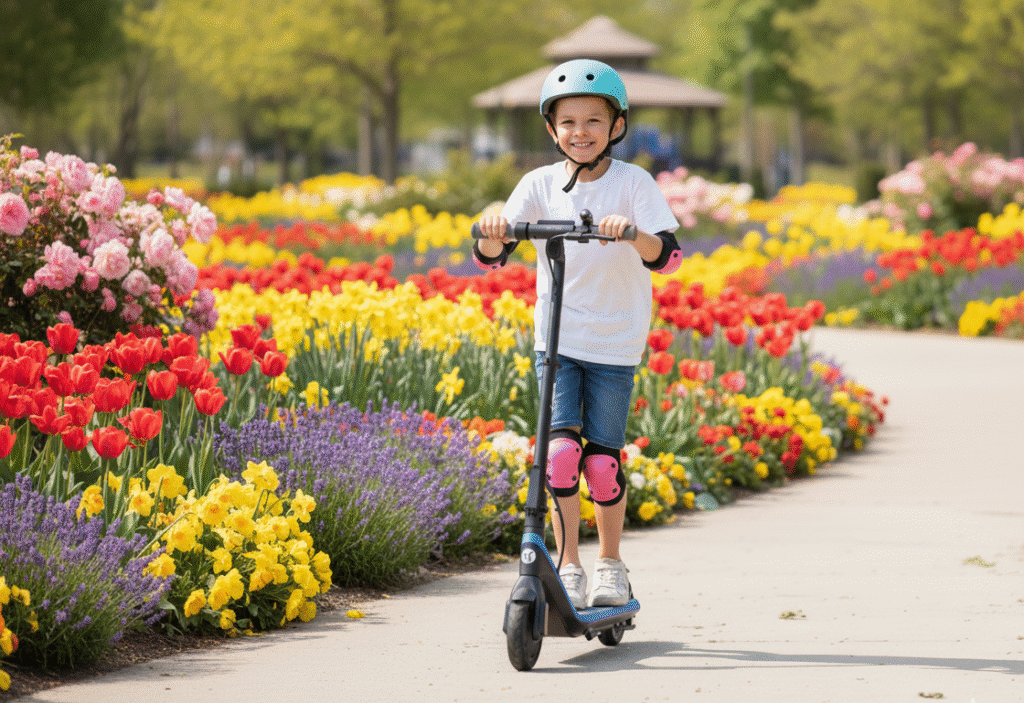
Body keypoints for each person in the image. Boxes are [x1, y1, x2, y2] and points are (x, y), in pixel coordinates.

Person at [474, 59, 682, 609]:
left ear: (617, 125)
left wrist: (632, 234)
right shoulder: (539, 184)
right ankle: (569, 566)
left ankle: (611, 564)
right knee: (561, 454)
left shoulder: (633, 184)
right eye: (568, 122)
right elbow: (492, 254)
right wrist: (492, 230)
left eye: (594, 120)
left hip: (615, 342)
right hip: (558, 339)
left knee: (602, 463)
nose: (580, 132)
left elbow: (668, 255)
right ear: (551, 128)